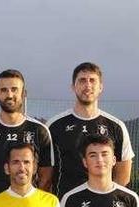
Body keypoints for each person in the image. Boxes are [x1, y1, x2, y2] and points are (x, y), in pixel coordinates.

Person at [49, 62, 134, 196]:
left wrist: (110, 200)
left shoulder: (116, 127)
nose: (88, 85)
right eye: (82, 80)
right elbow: (46, 173)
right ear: (73, 87)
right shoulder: (55, 125)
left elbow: (123, 174)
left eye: (92, 81)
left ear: (100, 87)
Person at [0, 69, 54, 202]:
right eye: (4, 90)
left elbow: (46, 177)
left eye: (14, 89)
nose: (9, 95)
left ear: (23, 93)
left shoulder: (39, 130)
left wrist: (34, 204)